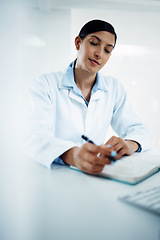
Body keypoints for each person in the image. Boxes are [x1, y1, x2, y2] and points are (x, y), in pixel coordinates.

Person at [26, 19, 151, 175]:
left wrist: (129, 144)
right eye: (94, 43)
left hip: (94, 175)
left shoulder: (113, 88)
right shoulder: (45, 84)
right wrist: (72, 155)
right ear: (78, 42)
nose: (99, 54)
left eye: (107, 50)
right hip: (54, 176)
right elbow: (34, 135)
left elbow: (140, 129)